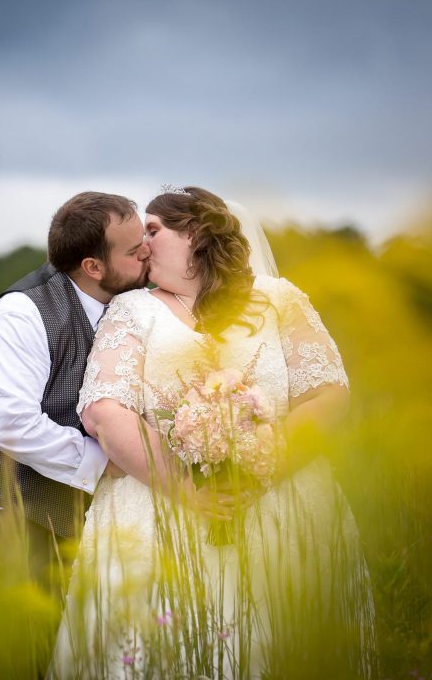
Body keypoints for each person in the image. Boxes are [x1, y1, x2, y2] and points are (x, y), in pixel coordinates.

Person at [50, 187, 376, 679]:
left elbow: (329, 394)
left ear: (195, 234)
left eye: (154, 231)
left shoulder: (279, 300)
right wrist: (186, 489)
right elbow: (104, 410)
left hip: (283, 504)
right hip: (161, 513)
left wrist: (262, 467)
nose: (142, 244)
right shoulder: (132, 311)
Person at [0, 191, 150, 585]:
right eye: (134, 249)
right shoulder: (21, 314)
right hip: (8, 520)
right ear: (93, 266)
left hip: (93, 520)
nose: (147, 252)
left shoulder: (138, 300)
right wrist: (107, 461)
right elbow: (9, 424)